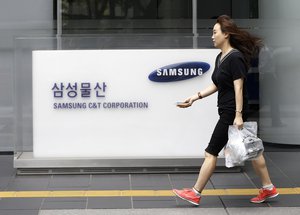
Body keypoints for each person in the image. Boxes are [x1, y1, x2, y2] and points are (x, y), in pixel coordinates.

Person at [173, 15, 279, 206]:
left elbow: (239, 87)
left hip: (232, 113)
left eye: (215, 33)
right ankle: (268, 187)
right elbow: (217, 84)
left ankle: (195, 193)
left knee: (210, 152)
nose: (212, 36)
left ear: (226, 34)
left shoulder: (235, 57)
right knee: (252, 150)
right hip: (229, 111)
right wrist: (195, 97)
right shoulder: (220, 58)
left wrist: (238, 115)